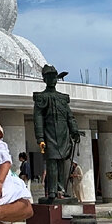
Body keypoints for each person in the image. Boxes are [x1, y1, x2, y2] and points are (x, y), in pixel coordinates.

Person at [32, 65, 80, 202]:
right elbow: (38, 119)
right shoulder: (41, 97)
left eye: (54, 77)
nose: (52, 79)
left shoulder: (62, 98)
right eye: (49, 77)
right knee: (52, 161)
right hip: (49, 134)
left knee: (62, 162)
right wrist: (40, 137)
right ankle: (52, 190)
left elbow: (70, 116)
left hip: (63, 134)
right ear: (44, 79)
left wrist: (74, 130)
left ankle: (61, 190)